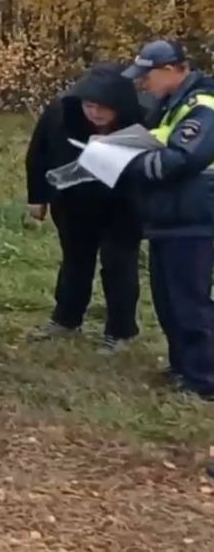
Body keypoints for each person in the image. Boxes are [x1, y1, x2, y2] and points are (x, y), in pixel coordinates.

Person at [25, 62, 145, 352]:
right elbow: (37, 153)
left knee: (119, 265)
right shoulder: (60, 112)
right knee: (75, 261)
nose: (96, 113)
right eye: (90, 105)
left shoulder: (142, 118)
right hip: (72, 202)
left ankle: (120, 331)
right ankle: (66, 319)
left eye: (105, 107)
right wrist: (37, 197)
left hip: (121, 206)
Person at [119, 39, 214, 399]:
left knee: (191, 301)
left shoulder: (203, 106)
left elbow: (182, 158)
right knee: (168, 299)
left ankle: (204, 379)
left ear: (175, 69)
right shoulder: (170, 105)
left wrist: (130, 163)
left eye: (148, 76)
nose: (144, 83)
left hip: (195, 217)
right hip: (168, 217)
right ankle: (182, 367)